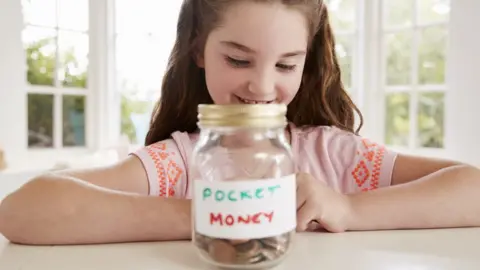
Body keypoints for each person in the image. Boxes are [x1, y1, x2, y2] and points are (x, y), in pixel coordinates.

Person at [1, 0, 479, 245]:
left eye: (286, 65)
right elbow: (21, 210)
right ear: (199, 51)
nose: (262, 87)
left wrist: (350, 211)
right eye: (238, 59)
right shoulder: (181, 162)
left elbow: (472, 188)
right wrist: (211, 215)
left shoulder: (335, 156)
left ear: (306, 64)